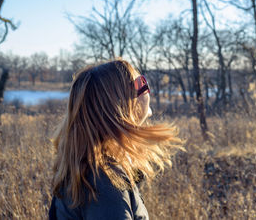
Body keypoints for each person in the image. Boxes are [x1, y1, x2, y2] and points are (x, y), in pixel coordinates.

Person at [49, 58, 182, 220]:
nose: (146, 90)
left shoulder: (92, 170)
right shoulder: (104, 183)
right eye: (141, 84)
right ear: (121, 105)